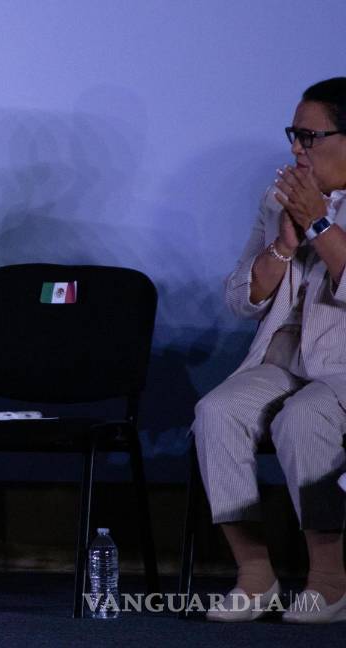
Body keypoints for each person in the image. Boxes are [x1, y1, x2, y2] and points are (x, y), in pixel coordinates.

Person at [192, 77, 346, 624]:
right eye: (293, 135)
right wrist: (282, 245)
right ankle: (255, 573)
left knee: (303, 417)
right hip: (286, 358)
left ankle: (329, 580)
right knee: (216, 411)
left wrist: (320, 222)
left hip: (342, 366)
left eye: (310, 136)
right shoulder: (276, 198)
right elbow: (241, 298)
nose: (297, 149)